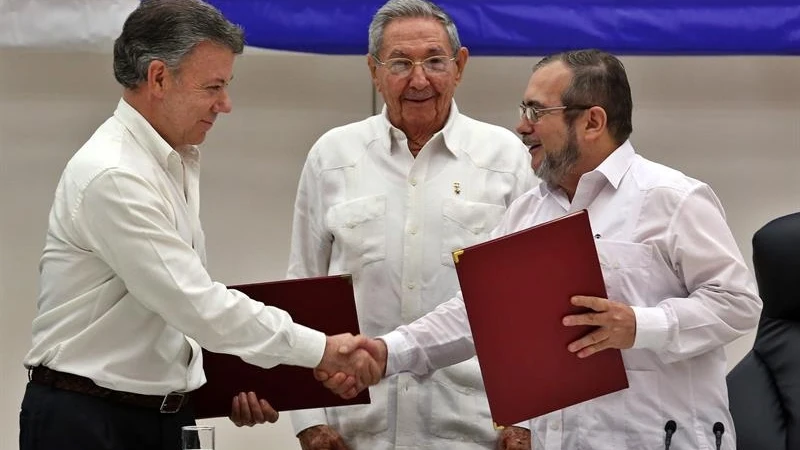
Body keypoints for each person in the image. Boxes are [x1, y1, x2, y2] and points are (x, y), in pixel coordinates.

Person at [326, 49, 764, 450]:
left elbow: (738, 303)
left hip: (660, 439)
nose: (521, 126)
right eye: (523, 110)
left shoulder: (673, 198)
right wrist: (388, 351)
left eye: (536, 111)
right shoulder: (527, 212)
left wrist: (639, 324)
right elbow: (477, 314)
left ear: (592, 122)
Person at [19, 2, 378, 449]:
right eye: (213, 86)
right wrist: (322, 351)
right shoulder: (115, 173)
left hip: (158, 416)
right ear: (158, 78)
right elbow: (194, 303)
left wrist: (239, 383)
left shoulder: (171, 158)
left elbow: (170, 315)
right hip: (91, 424)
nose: (225, 104)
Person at [284, 1, 537, 449]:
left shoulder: (505, 158)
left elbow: (529, 299)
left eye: (435, 62)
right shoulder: (333, 156)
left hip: (474, 431)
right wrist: (308, 422)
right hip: (356, 431)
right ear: (373, 70)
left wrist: (528, 421)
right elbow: (302, 288)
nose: (419, 80)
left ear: (459, 67)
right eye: (400, 63)